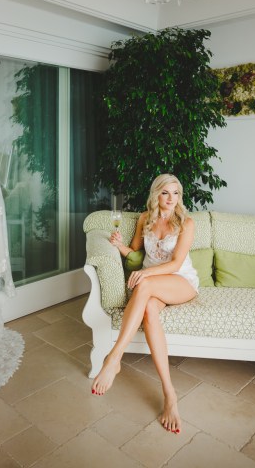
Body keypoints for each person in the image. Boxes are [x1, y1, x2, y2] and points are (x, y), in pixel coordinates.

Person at [91, 174, 199, 434]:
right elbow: (137, 253)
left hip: (179, 281)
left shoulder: (187, 222)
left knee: (145, 285)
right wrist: (120, 247)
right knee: (149, 309)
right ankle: (169, 394)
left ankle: (114, 358)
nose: (171, 198)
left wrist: (146, 275)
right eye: (165, 193)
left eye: (175, 193)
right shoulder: (144, 219)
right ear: (156, 195)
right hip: (151, 284)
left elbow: (174, 264)